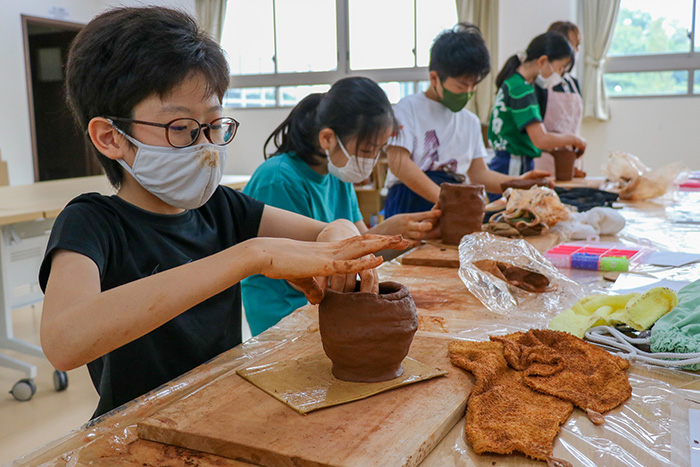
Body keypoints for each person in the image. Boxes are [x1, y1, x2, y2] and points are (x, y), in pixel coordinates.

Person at [38, 6, 406, 419]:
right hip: (137, 429)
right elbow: (63, 341)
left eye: (214, 125)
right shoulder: (92, 222)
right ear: (111, 138)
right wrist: (249, 256)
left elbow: (332, 230)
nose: (206, 147)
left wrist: (338, 239)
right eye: (181, 128)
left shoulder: (221, 208)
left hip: (221, 409)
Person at [242, 76, 440, 336]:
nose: (372, 160)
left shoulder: (337, 174)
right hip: (286, 311)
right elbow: (303, 274)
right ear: (327, 139)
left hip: (327, 300)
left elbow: (355, 248)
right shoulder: (278, 179)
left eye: (379, 150)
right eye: (367, 150)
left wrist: (394, 235)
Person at [383, 23, 552, 217]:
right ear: (434, 78)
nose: (469, 92)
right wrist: (443, 199)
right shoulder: (407, 109)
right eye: (462, 85)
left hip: (451, 202)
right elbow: (398, 163)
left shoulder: (469, 121)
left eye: (474, 85)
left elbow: (480, 174)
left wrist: (519, 182)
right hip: (409, 202)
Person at [487, 31, 587, 181]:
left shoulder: (513, 82)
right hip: (513, 165)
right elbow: (541, 140)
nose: (559, 75)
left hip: (505, 161)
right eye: (560, 68)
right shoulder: (522, 89)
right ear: (543, 61)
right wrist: (573, 139)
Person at [534, 22, 586, 177]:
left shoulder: (573, 83)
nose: (575, 51)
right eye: (571, 44)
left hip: (571, 164)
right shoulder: (540, 84)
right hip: (543, 164)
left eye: (578, 46)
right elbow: (535, 136)